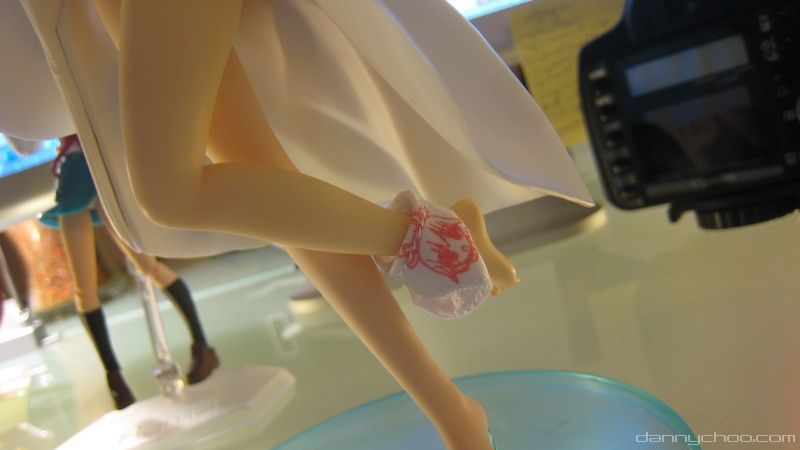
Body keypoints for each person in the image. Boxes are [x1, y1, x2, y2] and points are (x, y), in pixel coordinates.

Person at [41, 134, 220, 409]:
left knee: (145, 267)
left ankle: (201, 346)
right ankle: (114, 377)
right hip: (85, 171)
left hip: (101, 168)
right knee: (88, 287)